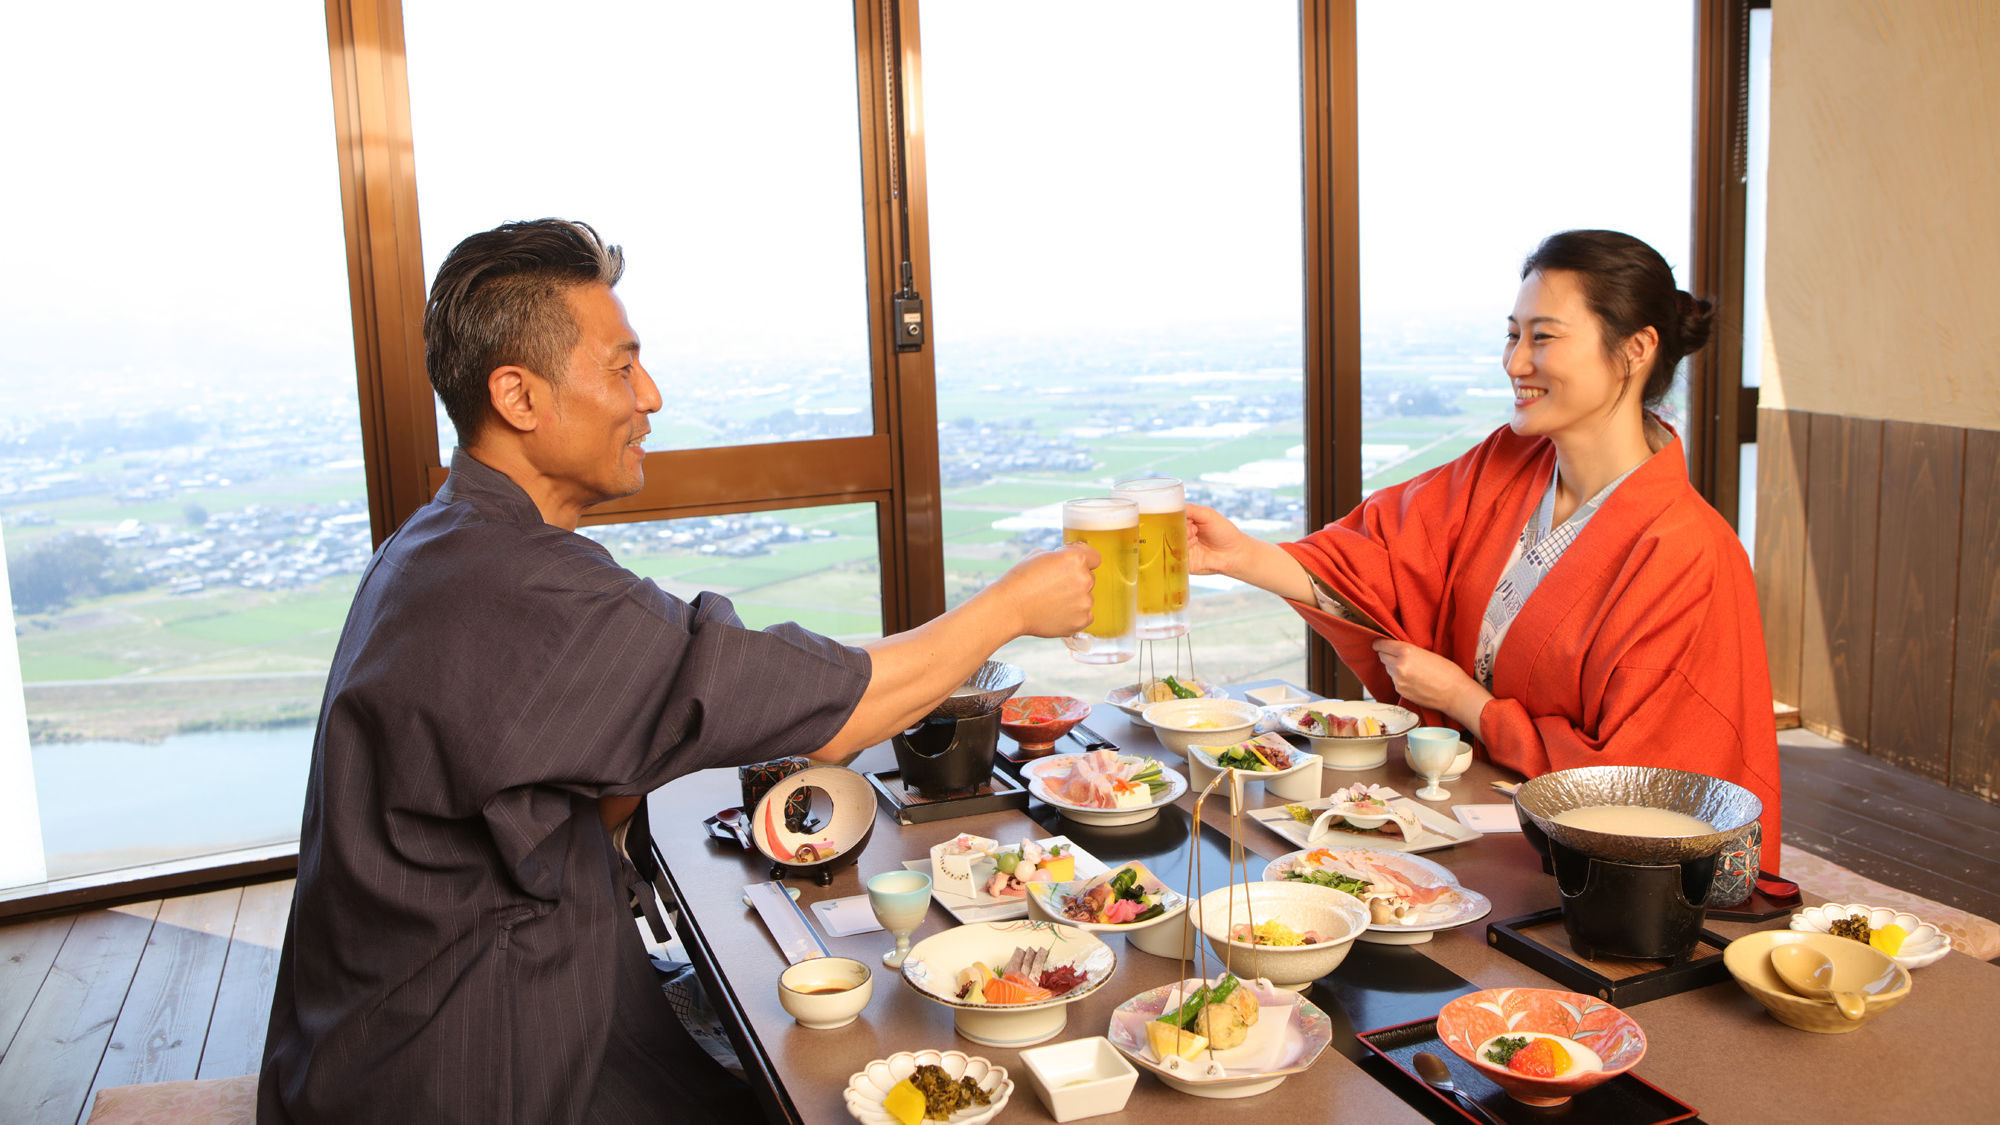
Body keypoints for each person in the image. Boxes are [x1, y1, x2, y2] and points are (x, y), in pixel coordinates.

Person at [259, 219, 1097, 1123]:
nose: (649, 395)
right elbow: (827, 701)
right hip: (469, 1063)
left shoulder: (445, 543)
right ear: (518, 395)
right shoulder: (521, 588)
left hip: (367, 1040)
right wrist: (1012, 608)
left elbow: (563, 758)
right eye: (621, 367)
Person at [1185, 229, 1781, 867]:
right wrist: (1236, 555)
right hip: (1463, 804)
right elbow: (1376, 557)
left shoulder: (1688, 551)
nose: (1516, 362)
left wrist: (1466, 700)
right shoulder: (1508, 462)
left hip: (1587, 864)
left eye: (1543, 337)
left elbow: (1643, 779)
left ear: (1635, 349)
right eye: (1513, 334)